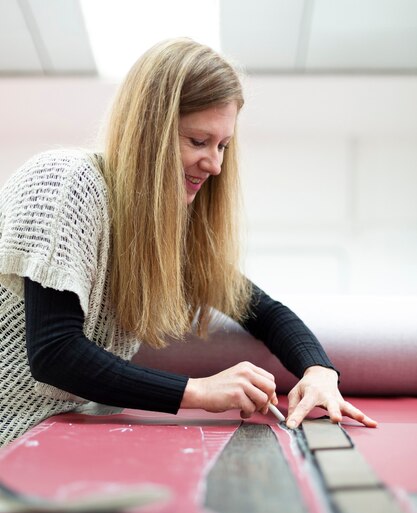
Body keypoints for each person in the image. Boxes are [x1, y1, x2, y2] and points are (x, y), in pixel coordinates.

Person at [0, 38, 377, 447]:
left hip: (65, 439)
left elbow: (265, 312)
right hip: (13, 438)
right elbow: (55, 353)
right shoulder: (64, 182)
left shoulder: (160, 234)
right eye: (198, 142)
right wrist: (197, 391)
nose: (214, 165)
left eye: (222, 146)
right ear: (149, 133)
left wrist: (319, 372)